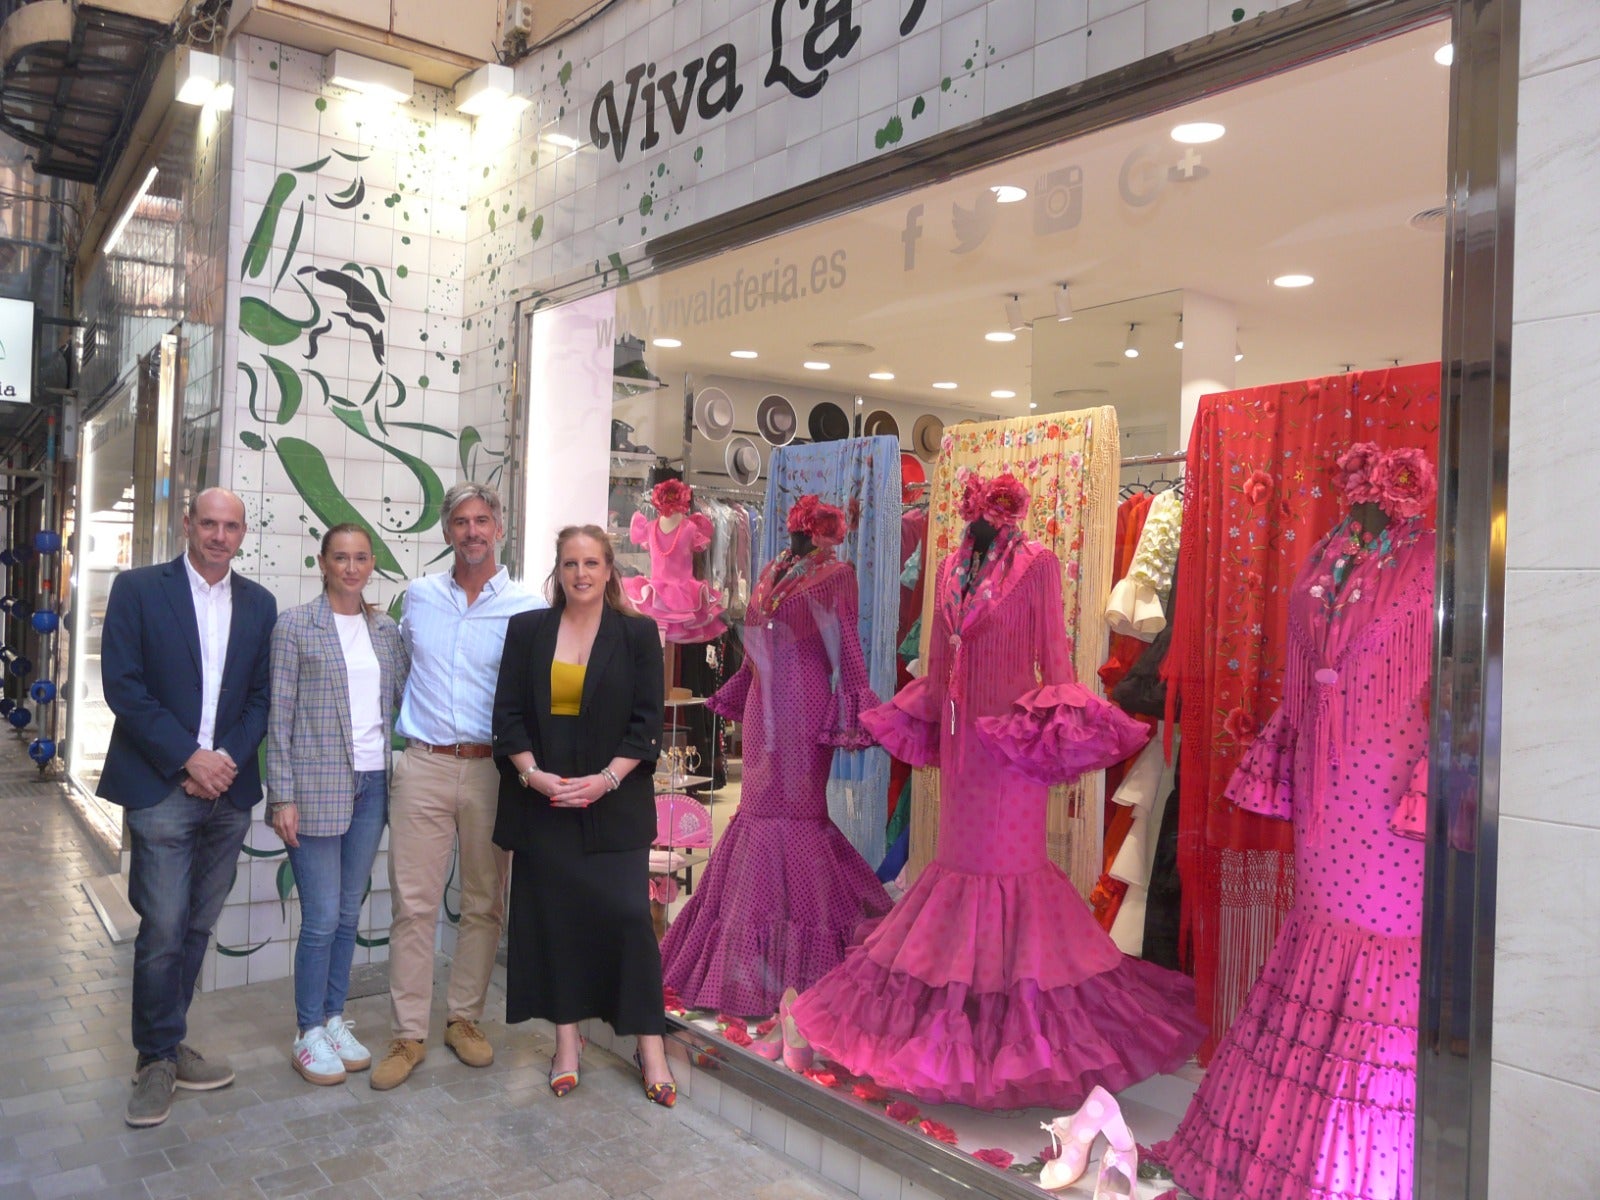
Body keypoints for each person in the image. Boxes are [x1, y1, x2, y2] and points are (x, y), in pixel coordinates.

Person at [99, 488, 277, 1128]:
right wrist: (188, 758)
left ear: (243, 533)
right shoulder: (139, 590)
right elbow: (123, 687)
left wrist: (223, 758)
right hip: (161, 786)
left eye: (231, 526)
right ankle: (153, 1061)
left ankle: (168, 1044)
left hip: (227, 792)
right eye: (209, 523)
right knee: (165, 925)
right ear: (187, 524)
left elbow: (260, 696)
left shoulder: (259, 604)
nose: (219, 536)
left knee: (198, 925)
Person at [491, 524, 675, 1106]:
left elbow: (647, 727)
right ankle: (566, 1046)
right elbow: (511, 716)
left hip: (612, 805)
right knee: (558, 925)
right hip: (545, 804)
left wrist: (604, 781)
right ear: (558, 569)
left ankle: (652, 1049)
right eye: (571, 563)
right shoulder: (529, 630)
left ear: (609, 568)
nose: (581, 574)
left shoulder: (639, 634)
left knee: (628, 921)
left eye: (591, 562)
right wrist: (532, 774)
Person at [371, 483, 542, 1090]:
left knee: (484, 901)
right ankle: (407, 1033)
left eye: (482, 520)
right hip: (423, 764)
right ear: (446, 531)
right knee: (412, 905)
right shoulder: (416, 597)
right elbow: (391, 673)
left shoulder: (526, 604)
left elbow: (546, 691)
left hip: (493, 771)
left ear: (498, 528)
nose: (472, 531)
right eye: (461, 522)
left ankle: (463, 1019)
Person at [266, 524, 409, 1085]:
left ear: (372, 563)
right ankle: (306, 1032)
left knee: (349, 913)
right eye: (340, 558)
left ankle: (332, 1018)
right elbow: (279, 718)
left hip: (373, 783)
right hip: (316, 786)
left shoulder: (385, 629)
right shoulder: (295, 626)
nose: (351, 568)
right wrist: (283, 794)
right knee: (322, 918)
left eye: (361, 558)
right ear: (322, 562)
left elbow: (396, 700)